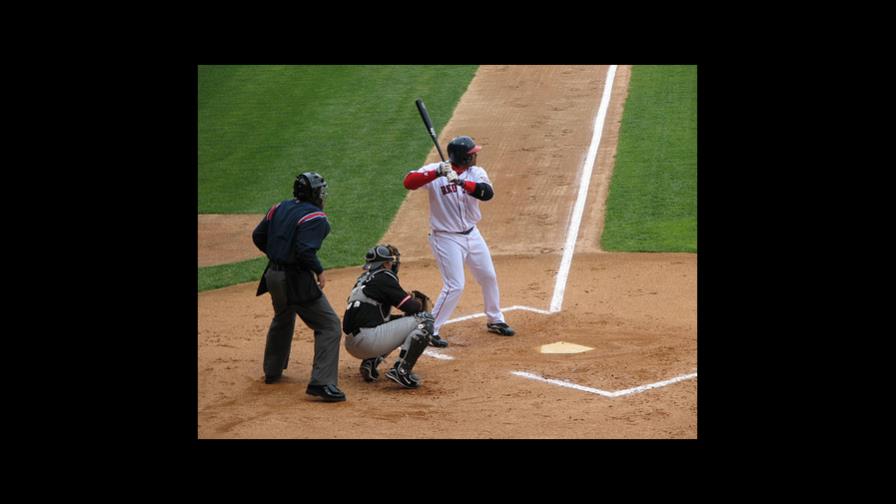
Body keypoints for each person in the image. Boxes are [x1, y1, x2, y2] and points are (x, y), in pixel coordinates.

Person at [402, 135, 515, 348]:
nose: (476, 156)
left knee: (488, 276)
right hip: (446, 238)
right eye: (472, 154)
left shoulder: (476, 172)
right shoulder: (438, 170)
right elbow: (408, 182)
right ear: (463, 157)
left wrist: (460, 182)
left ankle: (495, 319)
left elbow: (487, 194)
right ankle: (430, 329)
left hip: (472, 234)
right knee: (455, 285)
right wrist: (437, 173)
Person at [251, 172, 346, 402]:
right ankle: (322, 383)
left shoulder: (279, 207)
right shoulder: (315, 217)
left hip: (272, 276)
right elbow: (305, 251)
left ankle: (272, 372)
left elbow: (258, 236)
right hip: (295, 280)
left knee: (283, 316)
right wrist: (319, 270)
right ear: (315, 193)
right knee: (329, 325)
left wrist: (278, 255)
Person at [342, 244, 434, 388]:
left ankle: (370, 362)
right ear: (384, 264)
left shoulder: (362, 280)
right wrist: (415, 301)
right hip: (368, 341)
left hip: (351, 343)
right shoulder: (384, 277)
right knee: (425, 319)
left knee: (390, 322)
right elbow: (411, 307)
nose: (392, 264)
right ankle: (401, 371)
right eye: (390, 262)